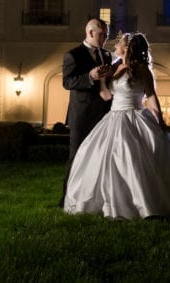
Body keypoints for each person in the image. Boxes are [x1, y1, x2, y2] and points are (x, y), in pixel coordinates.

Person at [63, 32, 170, 219]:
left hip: (135, 116)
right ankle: (107, 201)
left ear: (127, 47)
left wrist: (160, 121)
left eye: (119, 43)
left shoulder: (142, 69)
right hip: (113, 117)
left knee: (134, 160)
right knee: (103, 158)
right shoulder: (114, 67)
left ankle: (143, 203)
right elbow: (105, 93)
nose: (115, 46)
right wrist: (100, 82)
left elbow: (151, 96)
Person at [60, 18, 113, 207]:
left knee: (100, 158)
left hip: (104, 115)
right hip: (81, 115)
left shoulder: (107, 55)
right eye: (102, 34)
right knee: (76, 157)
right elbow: (67, 82)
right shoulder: (73, 55)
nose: (105, 38)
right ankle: (66, 198)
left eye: (107, 35)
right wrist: (90, 76)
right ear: (90, 32)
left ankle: (95, 197)